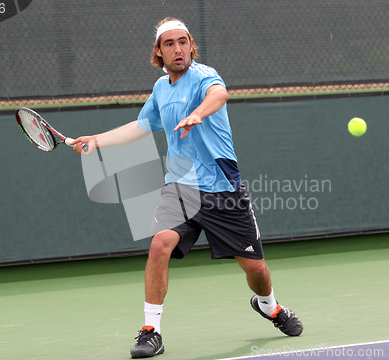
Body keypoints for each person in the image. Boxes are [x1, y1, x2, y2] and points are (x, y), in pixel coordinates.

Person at [71, 17, 303, 359]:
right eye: (169, 43)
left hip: (223, 188)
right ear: (158, 51)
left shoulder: (204, 76)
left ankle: (268, 306)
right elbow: (141, 126)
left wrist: (197, 114)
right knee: (160, 244)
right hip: (180, 186)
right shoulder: (160, 89)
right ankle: (151, 331)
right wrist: (97, 140)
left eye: (183, 42)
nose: (178, 49)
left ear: (191, 45)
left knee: (255, 269)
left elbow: (219, 94)